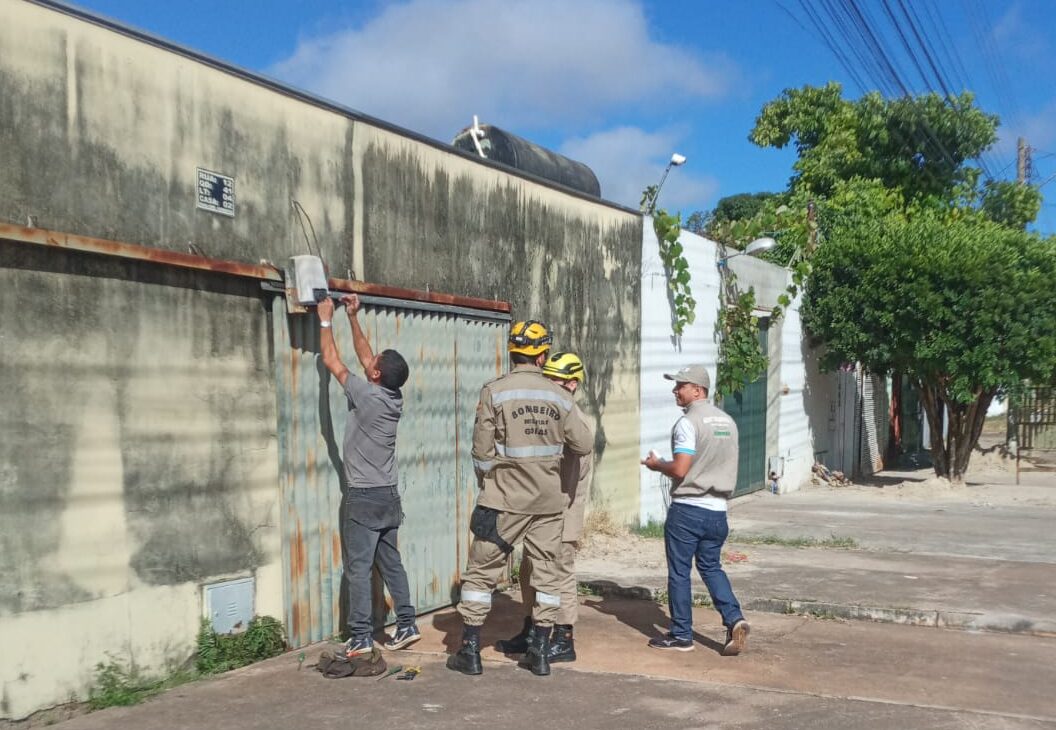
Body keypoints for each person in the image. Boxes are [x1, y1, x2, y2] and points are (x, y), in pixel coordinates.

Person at [447, 321, 594, 677]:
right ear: (542, 355)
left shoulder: (494, 391)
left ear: (512, 353)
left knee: (482, 573)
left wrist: (493, 478)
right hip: (547, 503)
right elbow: (584, 444)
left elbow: (480, 451)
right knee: (547, 575)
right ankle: (541, 653)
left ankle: (470, 651)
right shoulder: (558, 395)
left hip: (503, 500)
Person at [317, 294, 421, 657]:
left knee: (358, 569)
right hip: (388, 496)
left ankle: (360, 635)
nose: (369, 360)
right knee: (390, 562)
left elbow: (332, 359)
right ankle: (407, 623)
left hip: (363, 497)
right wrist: (353, 317)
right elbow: (365, 357)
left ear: (375, 376)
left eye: (373, 363)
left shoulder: (365, 394)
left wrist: (326, 319)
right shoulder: (391, 398)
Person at [640, 364, 750, 656]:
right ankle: (734, 618)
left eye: (681, 385)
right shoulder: (728, 421)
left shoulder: (688, 423)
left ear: (698, 390)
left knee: (679, 572)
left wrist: (656, 464)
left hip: (688, 509)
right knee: (711, 567)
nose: (675, 390)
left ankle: (681, 635)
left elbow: (680, 469)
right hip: (718, 512)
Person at [496, 351, 594, 664]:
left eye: (555, 380)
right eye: (546, 378)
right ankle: (532, 629)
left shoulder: (571, 418)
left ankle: (564, 638)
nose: (548, 385)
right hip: (542, 509)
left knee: (559, 571)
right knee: (528, 570)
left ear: (573, 384)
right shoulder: (552, 413)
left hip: (563, 509)